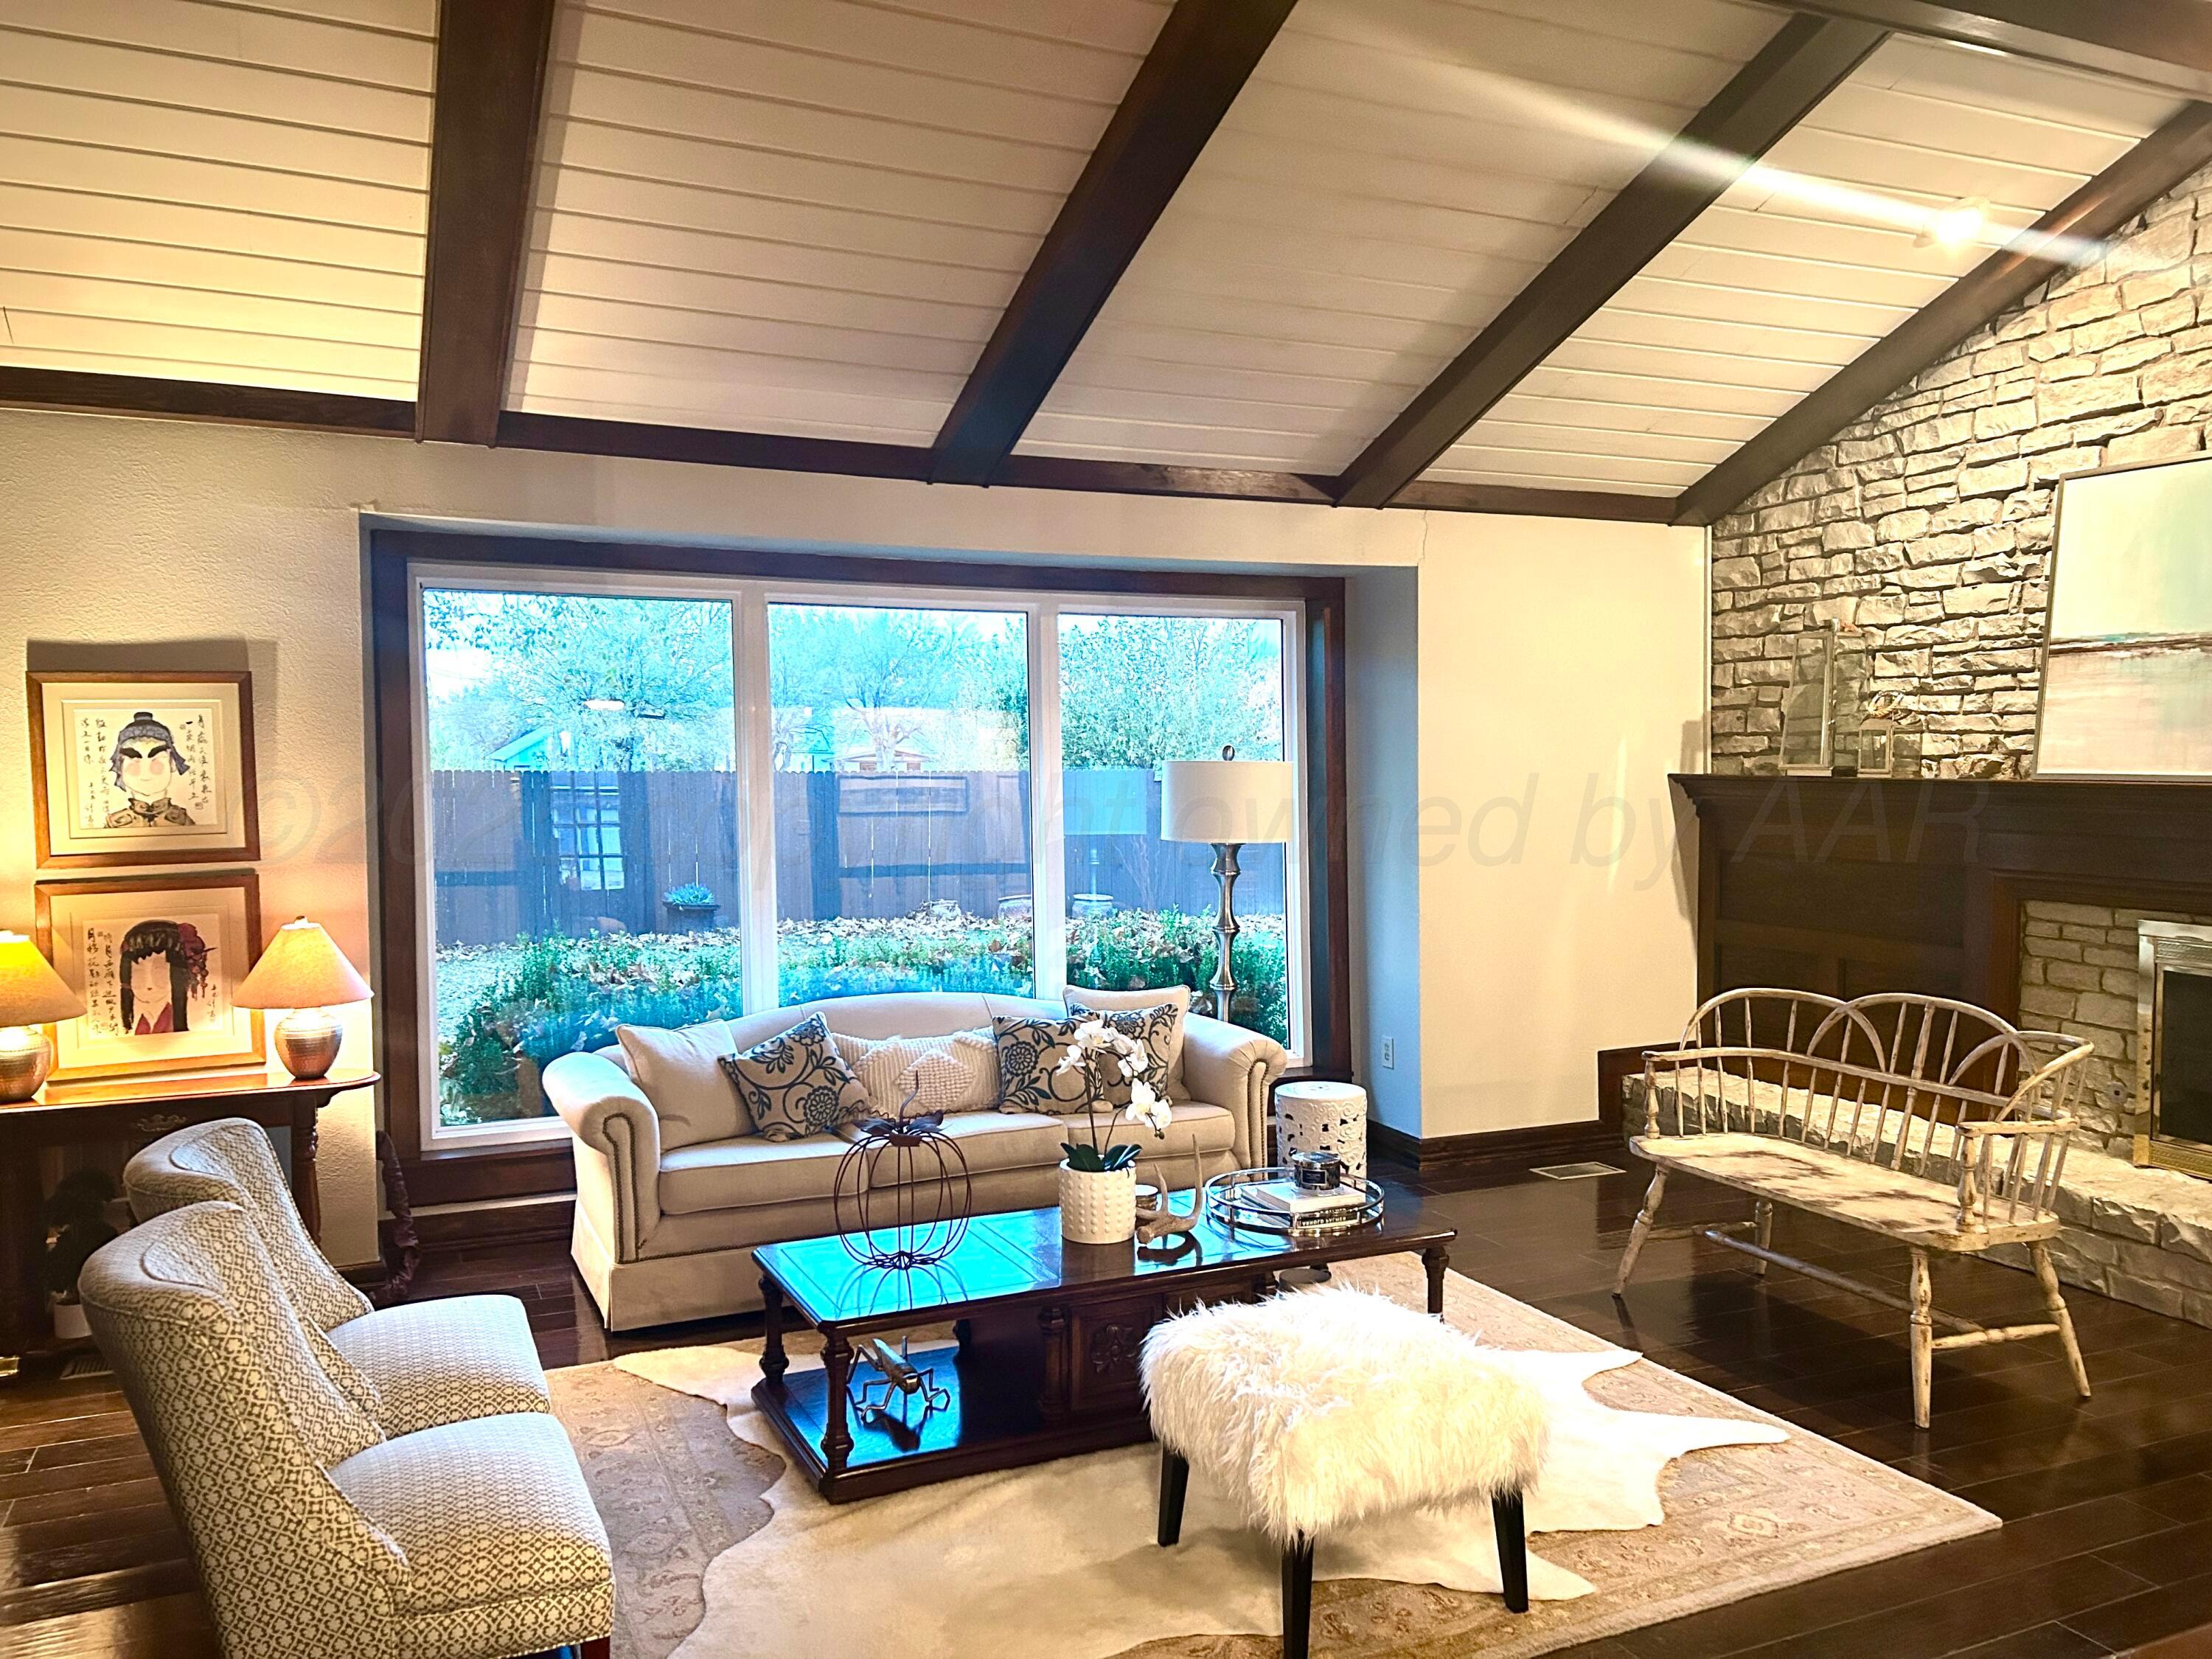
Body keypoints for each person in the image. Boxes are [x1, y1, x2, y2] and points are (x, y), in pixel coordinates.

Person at [117, 919, 209, 1035]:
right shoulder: (141, 1021)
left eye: (159, 972)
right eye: (138, 973)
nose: (149, 985)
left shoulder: (172, 1021)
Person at [106, 712, 195, 828]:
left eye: (156, 759)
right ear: (120, 767)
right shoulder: (113, 825)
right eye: (134, 760)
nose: (145, 771)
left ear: (172, 763)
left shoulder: (184, 823)